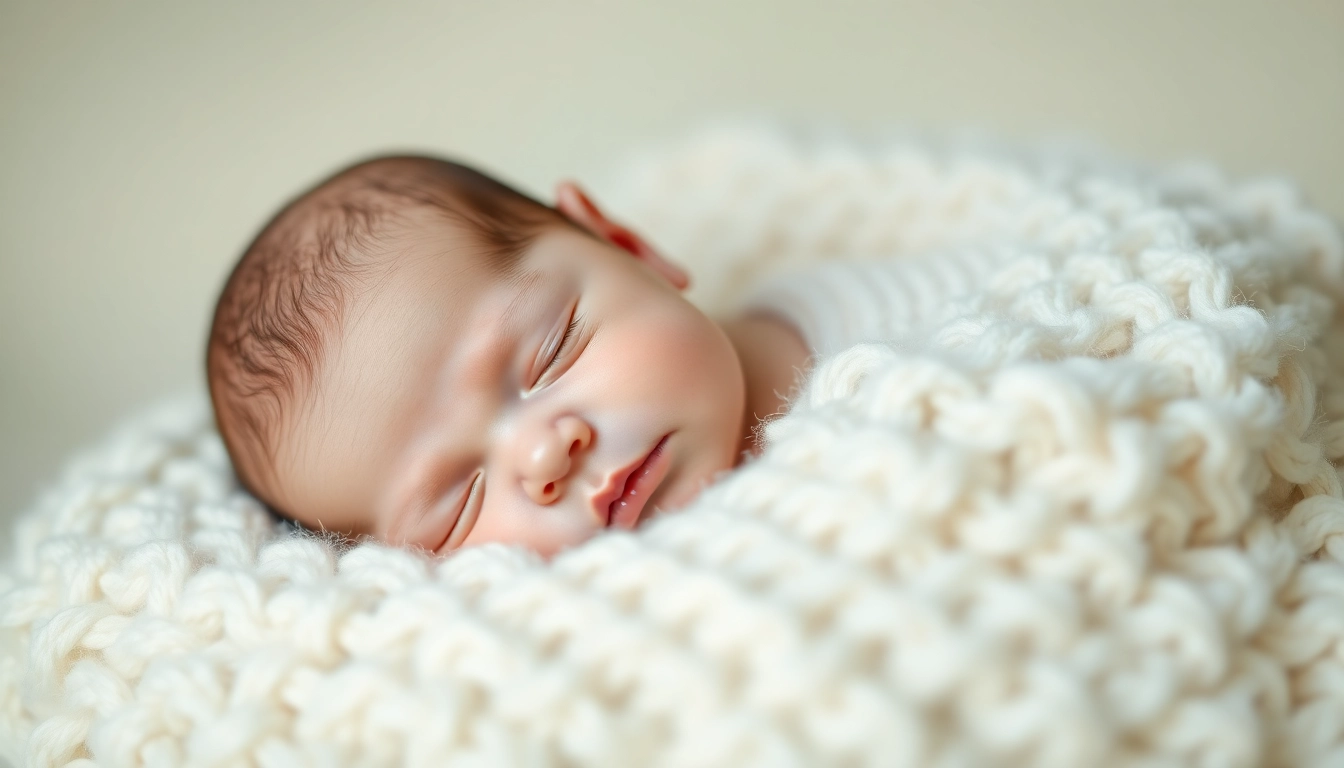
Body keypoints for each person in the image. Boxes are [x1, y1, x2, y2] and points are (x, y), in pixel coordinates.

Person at [206, 155, 814, 558]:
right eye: (457, 504)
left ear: (626, 245)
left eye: (553, 352)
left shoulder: (890, 319)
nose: (545, 454)